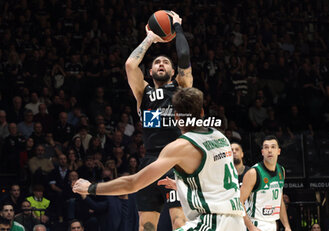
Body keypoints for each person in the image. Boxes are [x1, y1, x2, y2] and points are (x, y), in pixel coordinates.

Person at [73, 87, 246, 231]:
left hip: (211, 222)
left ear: (176, 117)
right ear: (201, 112)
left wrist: (91, 188)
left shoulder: (180, 146)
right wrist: (182, 185)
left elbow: (132, 183)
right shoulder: (220, 138)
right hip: (236, 222)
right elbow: (213, 179)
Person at [124, 11, 193, 230]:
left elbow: (183, 56)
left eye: (165, 62)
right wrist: (150, 38)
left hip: (176, 161)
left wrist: (178, 27)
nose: (161, 63)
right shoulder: (142, 92)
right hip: (150, 161)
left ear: (173, 72)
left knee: (179, 221)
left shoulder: (181, 89)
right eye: (157, 62)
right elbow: (130, 66)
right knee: (145, 225)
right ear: (151, 71)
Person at [240, 135, 291, 231]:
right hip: (256, 223)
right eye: (266, 147)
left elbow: (280, 200)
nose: (270, 150)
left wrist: (287, 226)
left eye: (273, 147)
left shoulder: (281, 171)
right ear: (262, 152)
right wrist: (251, 227)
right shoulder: (253, 173)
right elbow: (239, 202)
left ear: (278, 151)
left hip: (272, 223)